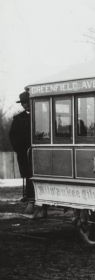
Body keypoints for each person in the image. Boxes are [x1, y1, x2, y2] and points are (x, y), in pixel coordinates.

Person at [9, 89, 39, 217]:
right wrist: (20, 149)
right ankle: (30, 201)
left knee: (36, 175)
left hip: (37, 151)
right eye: (23, 103)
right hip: (25, 153)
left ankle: (36, 202)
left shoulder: (40, 115)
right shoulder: (18, 118)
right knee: (29, 175)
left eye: (26, 102)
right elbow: (13, 136)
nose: (25, 105)